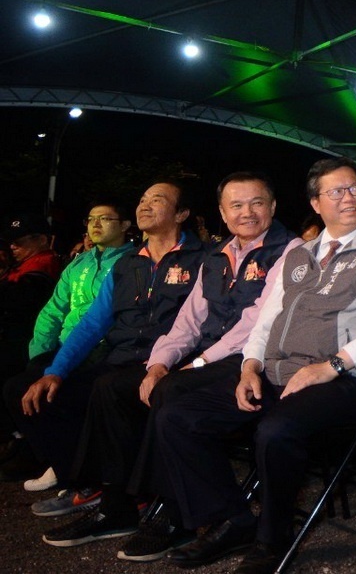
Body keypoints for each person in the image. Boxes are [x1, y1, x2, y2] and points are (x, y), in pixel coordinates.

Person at [154, 157, 356, 574]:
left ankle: (272, 539)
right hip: (277, 372)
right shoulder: (301, 255)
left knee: (276, 430)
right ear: (315, 203)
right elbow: (267, 319)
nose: (349, 198)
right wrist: (249, 367)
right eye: (336, 191)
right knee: (178, 417)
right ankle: (233, 520)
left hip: (346, 380)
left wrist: (332, 365)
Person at [36, 172, 300, 561]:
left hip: (251, 359)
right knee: (116, 387)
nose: (247, 212)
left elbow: (259, 323)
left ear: (273, 207)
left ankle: (176, 515)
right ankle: (121, 504)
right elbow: (189, 321)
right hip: (210, 358)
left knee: (171, 394)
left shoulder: (290, 250)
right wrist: (160, 363)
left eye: (257, 203)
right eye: (237, 205)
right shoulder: (218, 254)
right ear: (223, 214)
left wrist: (194, 363)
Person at [6, 182, 204, 500]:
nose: (145, 205)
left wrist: (163, 362)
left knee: (108, 388)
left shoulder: (201, 259)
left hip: (165, 361)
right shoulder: (127, 265)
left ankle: (119, 498)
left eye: (158, 200)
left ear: (181, 213)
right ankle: (83, 478)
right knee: (34, 389)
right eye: (142, 199)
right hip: (119, 357)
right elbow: (92, 323)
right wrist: (56, 370)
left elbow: (198, 324)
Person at [0, 203, 133, 482]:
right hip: (65, 349)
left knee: (59, 394)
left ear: (124, 225)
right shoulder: (79, 263)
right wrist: (40, 353)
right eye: (91, 219)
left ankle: (74, 471)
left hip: (101, 351)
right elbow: (53, 310)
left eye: (105, 218)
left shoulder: (132, 262)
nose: (95, 225)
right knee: (19, 386)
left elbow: (105, 320)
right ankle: (58, 460)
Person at [0, 214, 64, 377]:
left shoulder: (42, 266)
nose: (12, 246)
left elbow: (16, 301)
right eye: (11, 242)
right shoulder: (24, 264)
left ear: (42, 240)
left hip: (20, 345)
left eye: (19, 242)